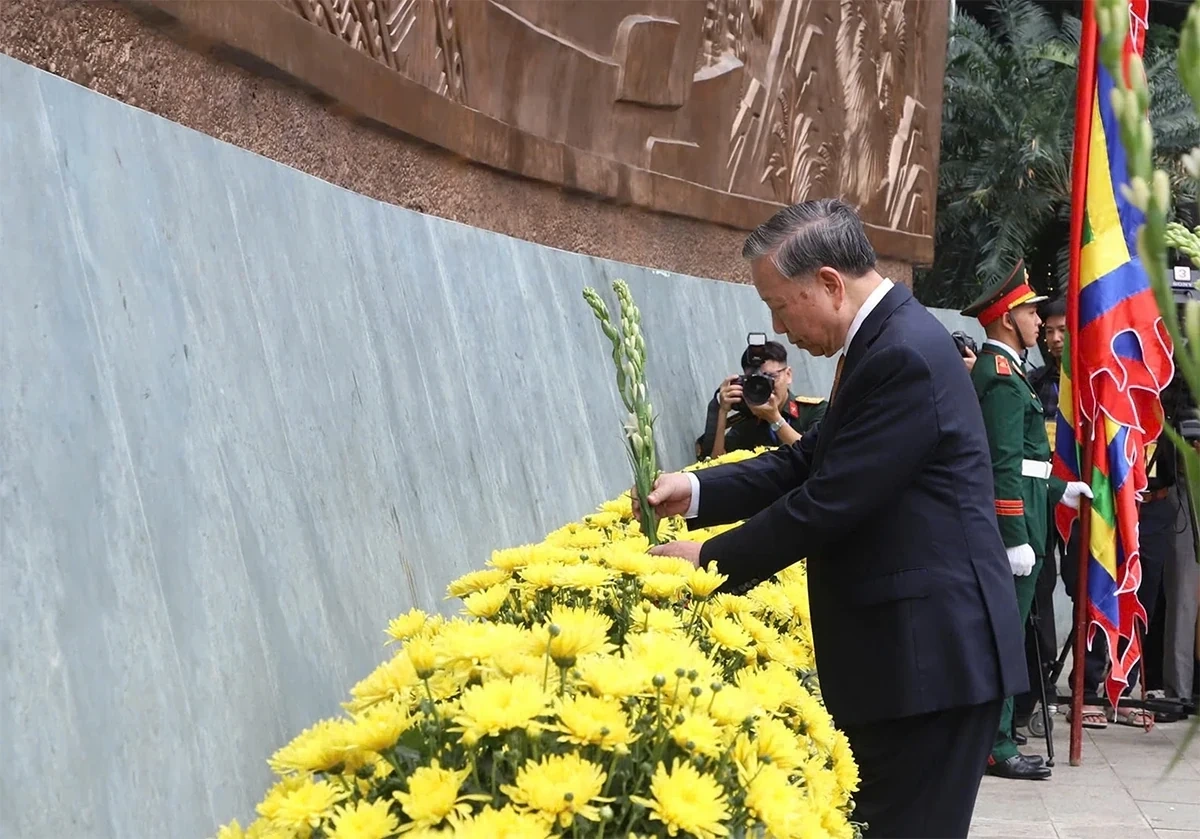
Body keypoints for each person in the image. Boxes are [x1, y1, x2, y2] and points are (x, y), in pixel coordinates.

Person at [638, 198, 1029, 839]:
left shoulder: (901, 352)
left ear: (827, 282)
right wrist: (698, 489)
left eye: (780, 303)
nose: (778, 325)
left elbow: (830, 501)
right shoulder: (884, 339)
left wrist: (711, 560)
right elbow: (810, 462)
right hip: (911, 661)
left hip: (930, 665)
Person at [960, 264, 1091, 778]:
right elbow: (998, 466)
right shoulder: (999, 379)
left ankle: (996, 736)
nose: (1040, 321)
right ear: (1009, 319)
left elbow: (1026, 464)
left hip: (1032, 510)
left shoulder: (1009, 374)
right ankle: (997, 744)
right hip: (1013, 527)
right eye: (1033, 312)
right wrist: (1014, 536)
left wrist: (1061, 488)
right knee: (1005, 637)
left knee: (1010, 634)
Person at [1014, 295, 1067, 736]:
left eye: (1061, 330)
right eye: (1047, 329)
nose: (1053, 338)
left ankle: (1094, 681)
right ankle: (1041, 689)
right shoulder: (1030, 382)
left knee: (1090, 586)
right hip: (1040, 503)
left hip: (1080, 498)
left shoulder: (1094, 385)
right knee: (1040, 595)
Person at [695, 339, 827, 459]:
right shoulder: (748, 422)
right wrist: (723, 411)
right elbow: (716, 466)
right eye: (755, 380)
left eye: (770, 377)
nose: (762, 386)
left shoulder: (815, 410)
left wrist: (775, 419)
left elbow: (817, 455)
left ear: (788, 375)